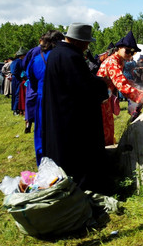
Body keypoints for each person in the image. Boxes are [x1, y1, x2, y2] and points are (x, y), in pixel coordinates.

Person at [42, 23, 109, 193]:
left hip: (59, 113)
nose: (88, 46)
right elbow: (83, 86)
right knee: (78, 158)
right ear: (79, 41)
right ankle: (83, 191)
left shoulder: (56, 53)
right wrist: (102, 84)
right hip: (72, 119)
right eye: (87, 42)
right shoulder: (71, 57)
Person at [97, 31, 143, 146]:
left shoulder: (120, 61)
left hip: (105, 99)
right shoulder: (112, 62)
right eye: (127, 51)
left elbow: (116, 79)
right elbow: (122, 85)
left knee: (108, 129)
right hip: (99, 100)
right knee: (103, 132)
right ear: (119, 48)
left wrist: (129, 81)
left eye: (132, 52)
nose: (129, 54)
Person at [27, 30, 65, 165]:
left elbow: (32, 81)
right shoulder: (61, 58)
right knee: (60, 133)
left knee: (41, 134)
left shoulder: (35, 60)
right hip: (59, 100)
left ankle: (43, 165)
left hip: (41, 100)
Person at [10, 47, 28, 116]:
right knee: (17, 94)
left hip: (17, 79)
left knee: (16, 94)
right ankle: (15, 109)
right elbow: (14, 71)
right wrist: (21, 78)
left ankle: (16, 109)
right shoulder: (18, 61)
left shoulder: (15, 61)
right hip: (17, 79)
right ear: (22, 55)